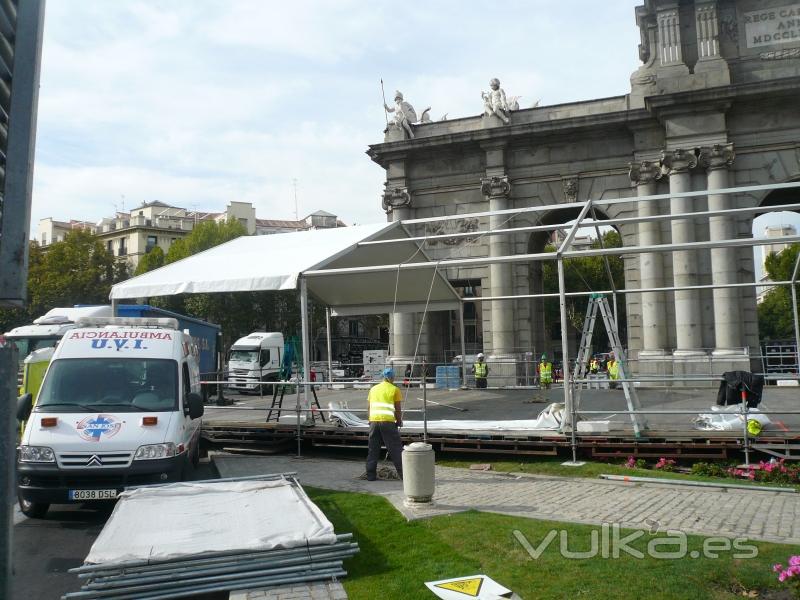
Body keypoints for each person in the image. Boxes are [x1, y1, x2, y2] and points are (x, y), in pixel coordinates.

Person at [365, 367, 404, 481]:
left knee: (373, 449)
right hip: (387, 422)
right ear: (391, 378)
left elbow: (369, 407)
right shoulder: (394, 389)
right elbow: (397, 409)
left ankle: (371, 476)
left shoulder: (373, 389)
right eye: (393, 377)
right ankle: (404, 475)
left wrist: (370, 420)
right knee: (396, 449)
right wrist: (399, 421)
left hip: (374, 421)